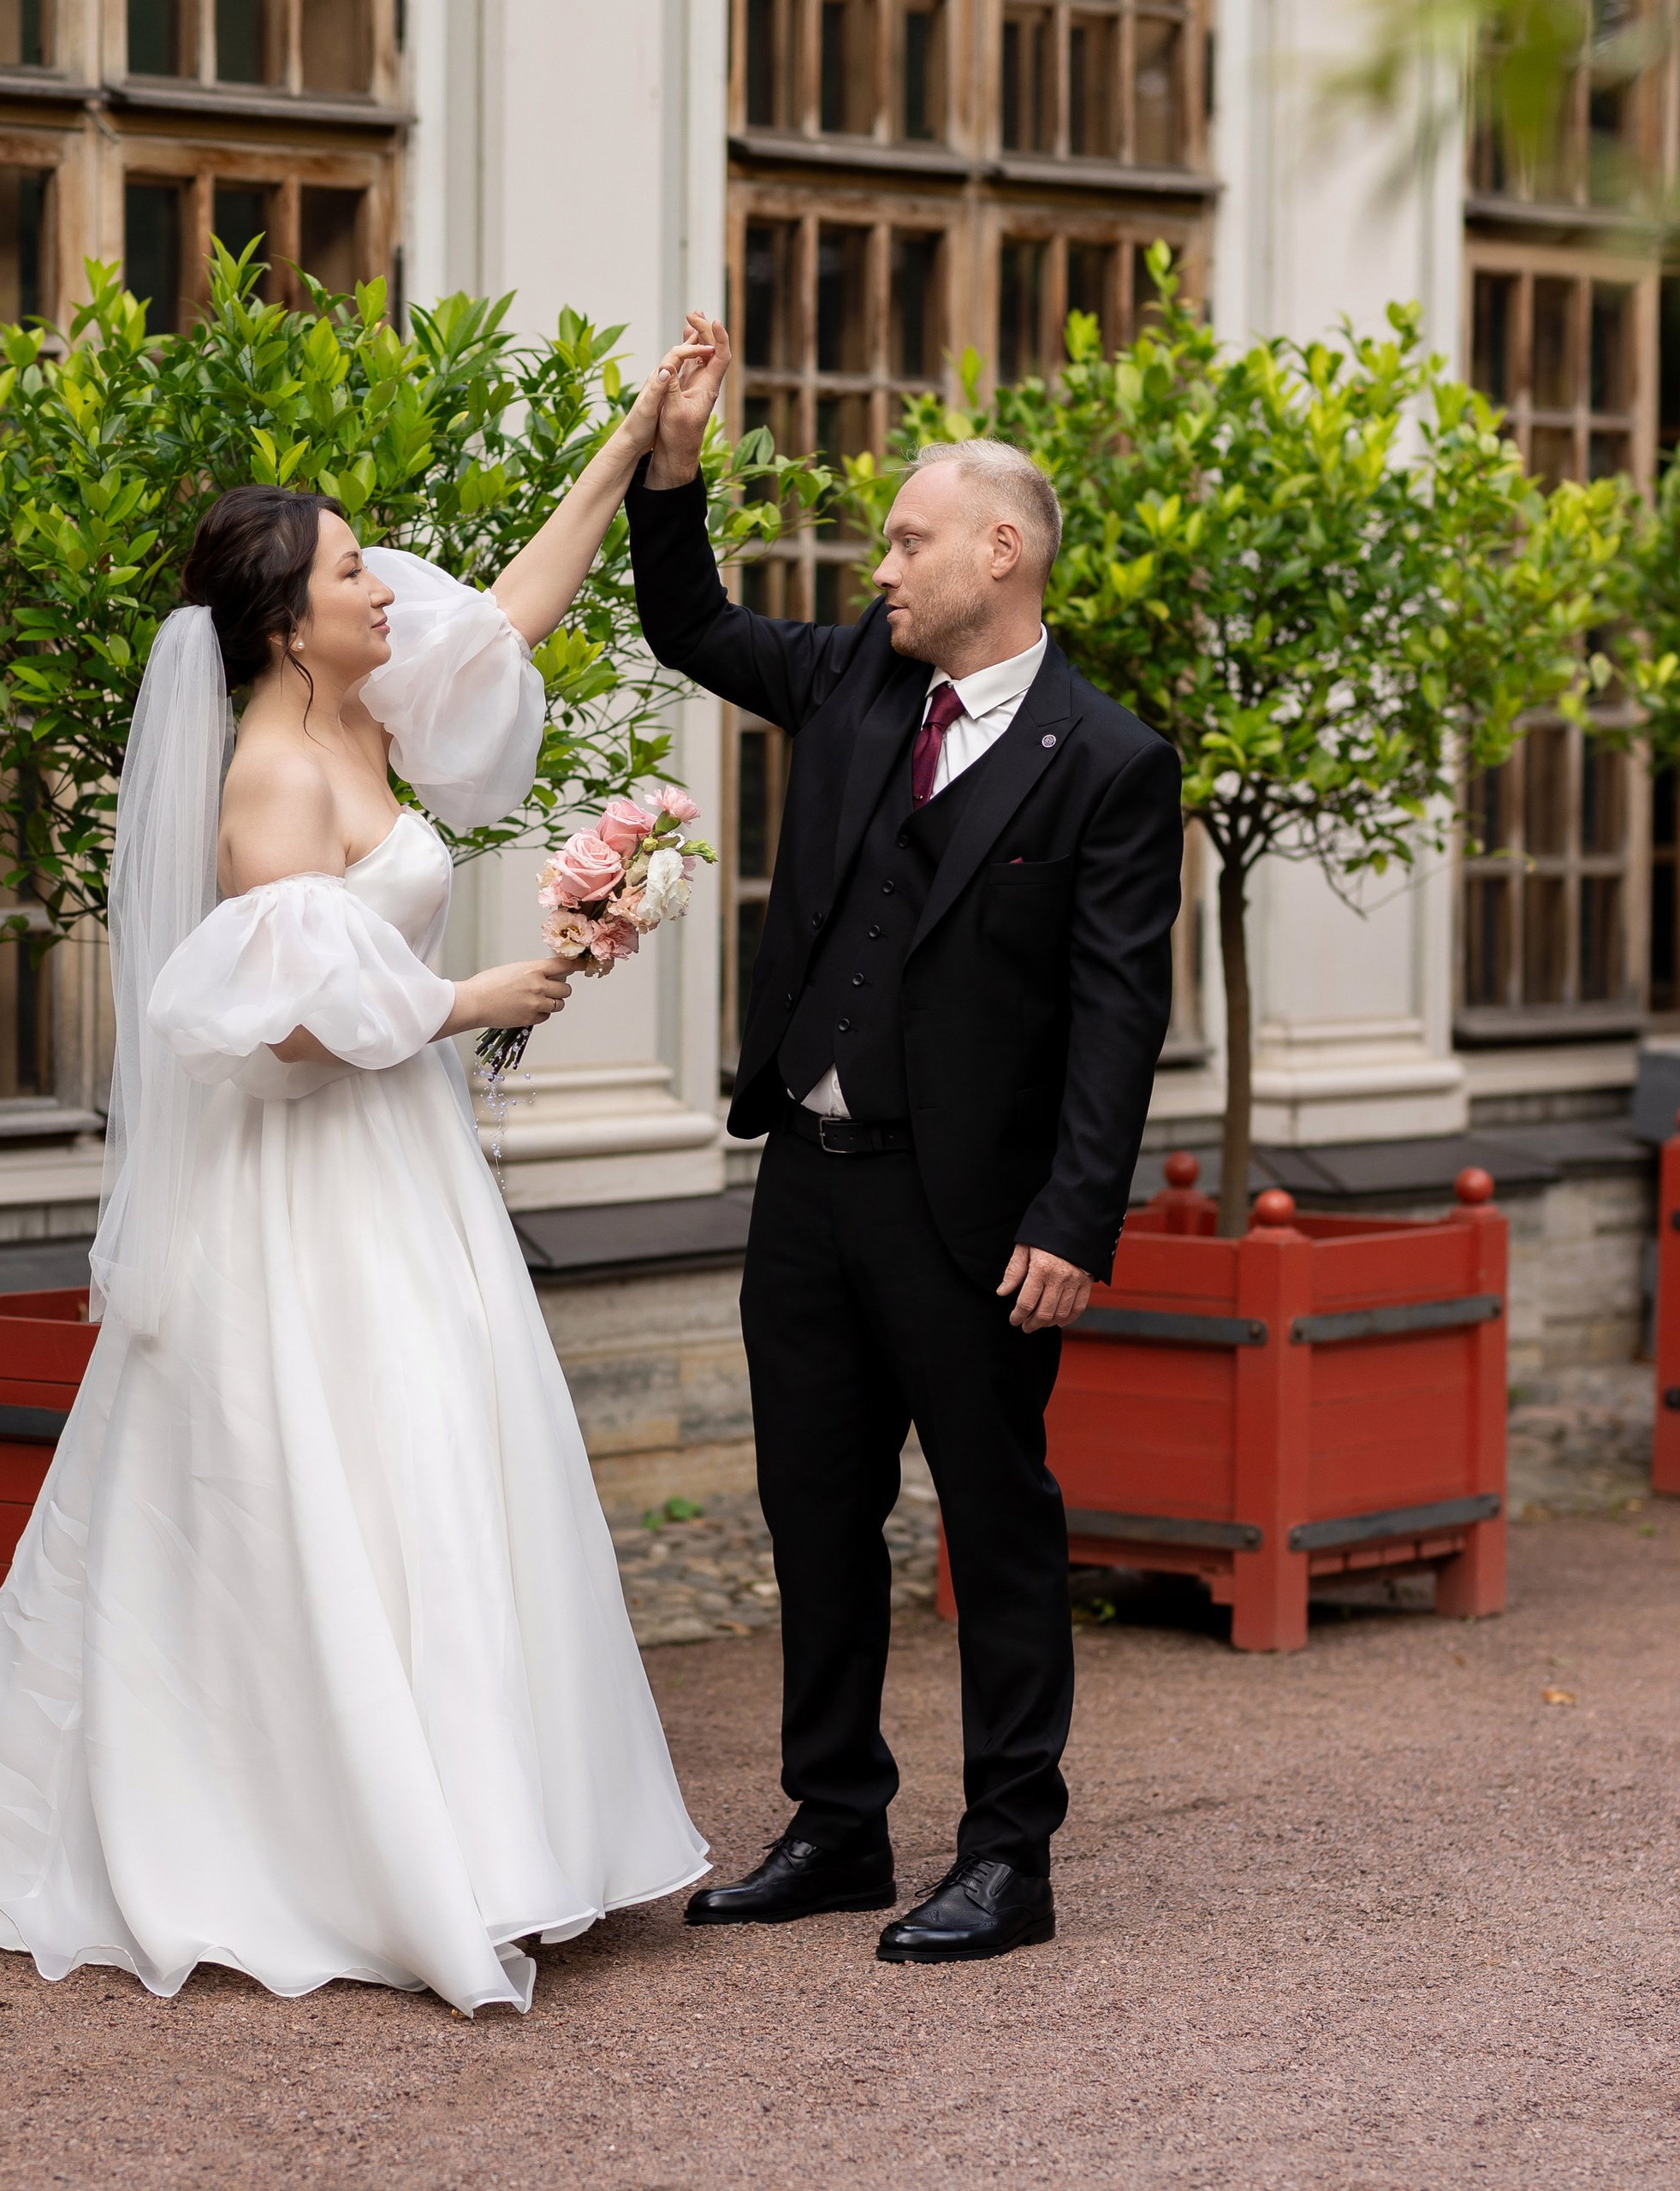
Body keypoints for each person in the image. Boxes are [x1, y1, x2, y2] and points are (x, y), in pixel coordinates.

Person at [0, 338, 719, 2017]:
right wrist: (475, 996)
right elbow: (291, 1024)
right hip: (309, 1188)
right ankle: (338, 1846)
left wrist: (631, 442)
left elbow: (512, 615)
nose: (384, 588)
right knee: (336, 1473)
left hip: (405, 1172)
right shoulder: (271, 777)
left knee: (444, 1460)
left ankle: (483, 1827)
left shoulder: (363, 706)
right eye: (349, 573)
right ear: (281, 623)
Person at [625, 315, 1183, 1962]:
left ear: (1000, 551)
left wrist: (1075, 1219)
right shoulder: (857, 679)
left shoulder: (1112, 764)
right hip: (806, 1184)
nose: (881, 567)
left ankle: (1010, 1853)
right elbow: (689, 622)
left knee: (996, 1527)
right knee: (812, 1511)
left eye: (908, 540)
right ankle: (836, 1824)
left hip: (977, 1219)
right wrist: (673, 464)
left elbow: (1118, 1015)